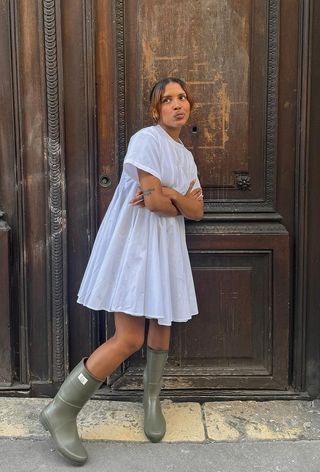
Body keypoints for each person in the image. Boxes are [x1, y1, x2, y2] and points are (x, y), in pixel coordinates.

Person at [40, 77, 204, 465]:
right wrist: (165, 197)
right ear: (156, 109)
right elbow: (152, 201)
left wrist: (173, 195)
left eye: (183, 98)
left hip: (167, 247)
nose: (177, 104)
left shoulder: (186, 156)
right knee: (129, 337)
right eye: (168, 100)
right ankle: (62, 408)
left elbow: (195, 210)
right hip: (137, 245)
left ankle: (151, 401)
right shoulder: (146, 139)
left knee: (163, 328)